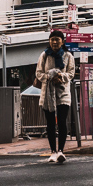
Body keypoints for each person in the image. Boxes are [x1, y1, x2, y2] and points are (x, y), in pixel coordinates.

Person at [35, 31, 76, 162]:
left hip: (63, 92)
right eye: (52, 39)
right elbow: (39, 73)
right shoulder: (44, 55)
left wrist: (61, 77)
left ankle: (61, 151)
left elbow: (71, 73)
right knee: (50, 123)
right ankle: (52, 151)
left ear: (62, 41)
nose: (54, 42)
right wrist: (50, 77)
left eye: (57, 39)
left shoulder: (68, 56)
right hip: (47, 93)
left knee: (62, 121)